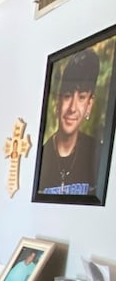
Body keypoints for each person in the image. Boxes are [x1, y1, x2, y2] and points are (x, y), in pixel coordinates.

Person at [37, 49, 100, 196]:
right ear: (57, 103)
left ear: (89, 105)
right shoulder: (42, 156)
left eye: (82, 97)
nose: (72, 108)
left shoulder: (97, 153)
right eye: (67, 96)